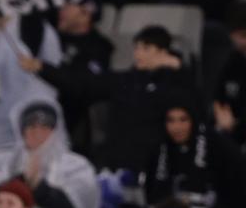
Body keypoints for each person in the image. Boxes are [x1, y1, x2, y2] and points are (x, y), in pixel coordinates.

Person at [21, 25, 192, 173]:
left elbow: (192, 106)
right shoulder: (124, 80)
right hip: (117, 161)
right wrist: (43, 68)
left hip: (158, 162)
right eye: (137, 48)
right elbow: (81, 84)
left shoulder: (177, 82)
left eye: (146, 48)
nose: (138, 53)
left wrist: (178, 70)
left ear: (163, 52)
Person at [142, 98, 246, 208]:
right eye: (171, 120)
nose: (177, 127)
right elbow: (151, 196)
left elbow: (239, 190)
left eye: (183, 120)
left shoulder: (217, 146)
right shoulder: (158, 149)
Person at [52, 0, 113, 155]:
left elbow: (82, 87)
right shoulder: (51, 37)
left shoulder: (99, 48)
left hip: (68, 118)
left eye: (68, 7)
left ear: (86, 13)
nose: (61, 10)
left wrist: (45, 70)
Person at [212, 2, 246, 150]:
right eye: (244, 36)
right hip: (235, 135)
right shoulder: (229, 62)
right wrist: (221, 116)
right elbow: (218, 99)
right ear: (231, 35)